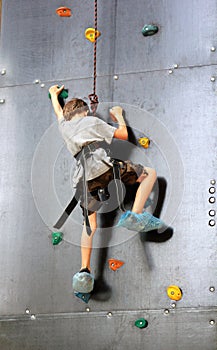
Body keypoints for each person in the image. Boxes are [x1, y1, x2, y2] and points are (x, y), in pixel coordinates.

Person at [49, 85, 164, 294]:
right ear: (83, 111)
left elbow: (58, 113)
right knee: (149, 174)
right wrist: (118, 115)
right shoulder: (91, 121)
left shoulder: (64, 127)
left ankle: (84, 270)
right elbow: (122, 134)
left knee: (90, 225)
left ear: (68, 114)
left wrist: (52, 95)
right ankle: (135, 216)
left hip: (82, 180)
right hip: (102, 167)